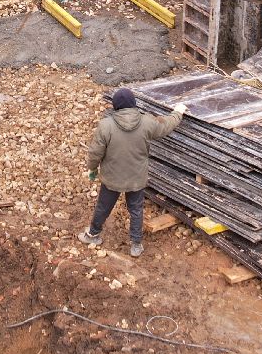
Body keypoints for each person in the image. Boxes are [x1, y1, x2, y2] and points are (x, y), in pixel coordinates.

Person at [79, 88, 185, 258]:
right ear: (133, 104)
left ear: (116, 106)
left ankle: (93, 234)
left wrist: (92, 168)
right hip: (136, 178)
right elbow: (165, 126)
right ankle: (136, 245)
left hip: (112, 178)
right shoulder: (147, 122)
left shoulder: (106, 125)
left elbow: (95, 152)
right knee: (136, 210)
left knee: (103, 207)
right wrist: (178, 113)